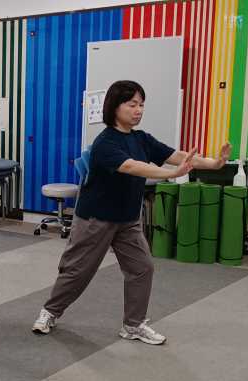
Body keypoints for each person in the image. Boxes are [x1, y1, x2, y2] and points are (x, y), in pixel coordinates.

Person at [31, 80, 231, 344]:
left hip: (127, 220)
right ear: (115, 107)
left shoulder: (141, 138)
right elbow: (132, 167)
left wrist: (214, 164)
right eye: (132, 104)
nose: (138, 110)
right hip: (95, 219)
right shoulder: (105, 143)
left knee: (142, 268)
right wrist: (172, 173)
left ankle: (133, 325)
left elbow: (177, 155)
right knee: (77, 271)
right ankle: (50, 312)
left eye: (141, 105)